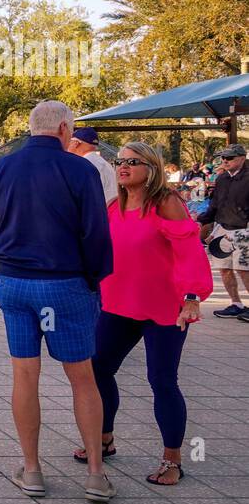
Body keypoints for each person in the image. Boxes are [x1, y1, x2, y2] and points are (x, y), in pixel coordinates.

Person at [0, 100, 116, 503]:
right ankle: (95, 474)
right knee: (82, 376)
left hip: (15, 281)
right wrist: (92, 277)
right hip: (65, 280)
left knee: (25, 374)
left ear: (31, 128)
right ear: (66, 128)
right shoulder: (80, 169)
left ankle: (32, 469)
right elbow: (96, 232)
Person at [78, 142, 212, 486]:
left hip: (164, 308)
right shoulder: (113, 206)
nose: (122, 167)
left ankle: (173, 459)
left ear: (150, 167)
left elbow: (189, 250)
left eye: (131, 162)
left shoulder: (165, 202)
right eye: (119, 162)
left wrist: (192, 296)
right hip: (118, 304)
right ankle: (105, 439)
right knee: (99, 369)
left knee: (162, 380)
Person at [196, 144, 249, 320]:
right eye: (223, 158)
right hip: (223, 227)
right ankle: (236, 304)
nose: (225, 161)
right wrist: (202, 220)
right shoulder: (222, 178)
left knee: (244, 269)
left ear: (242, 158)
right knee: (224, 268)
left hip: (244, 229)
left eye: (230, 158)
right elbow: (215, 204)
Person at [67, 126, 117, 205]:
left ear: (76, 143)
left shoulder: (83, 165)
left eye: (69, 141)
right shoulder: (105, 164)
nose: (67, 145)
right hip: (110, 212)